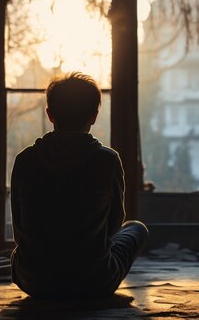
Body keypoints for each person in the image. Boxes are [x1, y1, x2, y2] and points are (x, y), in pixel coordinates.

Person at [10, 72, 148, 299]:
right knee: (136, 228)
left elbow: (20, 232)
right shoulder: (107, 160)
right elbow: (114, 227)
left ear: (50, 115)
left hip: (35, 280)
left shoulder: (25, 160)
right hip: (93, 281)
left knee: (22, 253)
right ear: (94, 116)